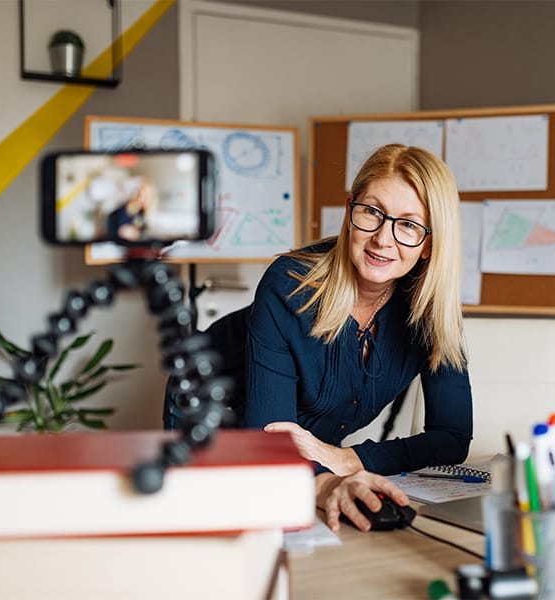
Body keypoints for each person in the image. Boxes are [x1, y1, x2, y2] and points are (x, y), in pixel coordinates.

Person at [168, 144, 472, 532]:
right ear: (349, 211)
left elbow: (452, 438)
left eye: (409, 224)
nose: (383, 238)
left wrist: (349, 460)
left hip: (306, 449)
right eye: (372, 212)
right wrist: (325, 483)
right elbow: (271, 438)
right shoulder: (289, 283)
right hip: (212, 414)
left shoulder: (432, 306)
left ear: (430, 242)